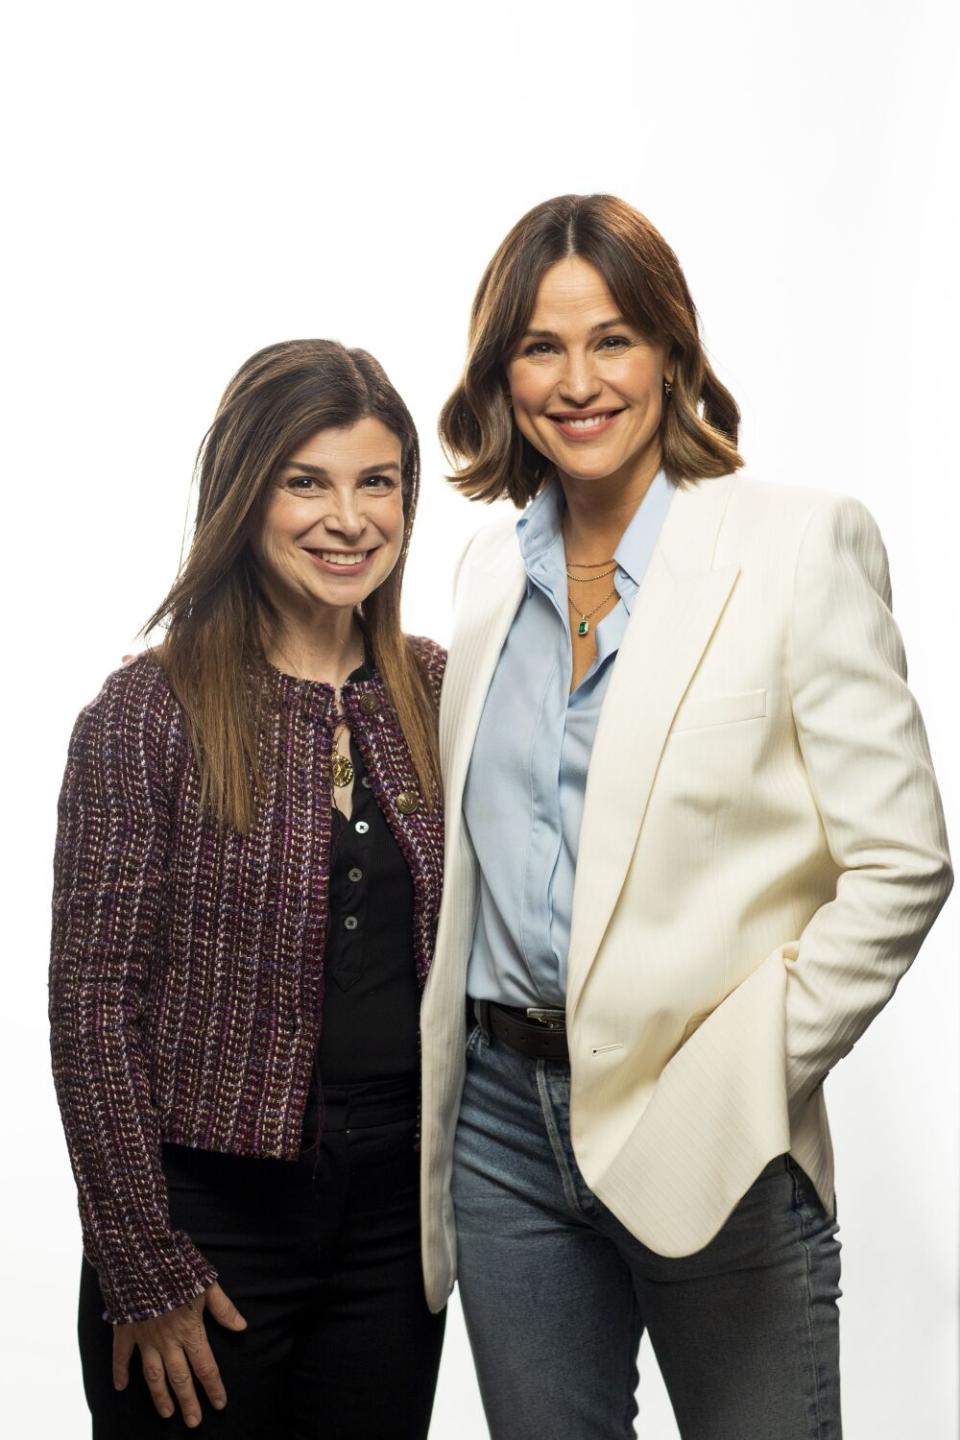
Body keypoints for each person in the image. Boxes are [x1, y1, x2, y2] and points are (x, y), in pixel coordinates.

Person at [416, 194, 953, 1439]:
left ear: (671, 351)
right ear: (503, 370)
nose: (579, 380)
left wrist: (754, 1072)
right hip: (503, 1134)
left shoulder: (798, 544)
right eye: (541, 346)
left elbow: (902, 862)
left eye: (613, 339)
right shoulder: (490, 574)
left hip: (712, 1131)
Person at [50, 339, 446, 1439]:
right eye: (305, 480)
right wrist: (138, 1259)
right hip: (203, 1222)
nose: (348, 517)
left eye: (377, 482)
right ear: (244, 493)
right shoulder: (148, 712)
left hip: (392, 1227)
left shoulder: (441, 693)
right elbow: (93, 1007)